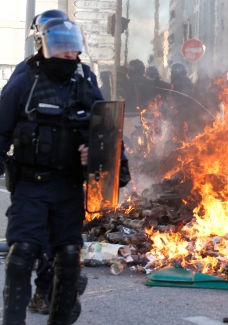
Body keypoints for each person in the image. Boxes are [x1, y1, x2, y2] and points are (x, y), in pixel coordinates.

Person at [0, 19, 131, 325]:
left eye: (71, 46)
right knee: (22, 256)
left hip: (69, 187)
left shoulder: (84, 81)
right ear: (43, 46)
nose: (67, 53)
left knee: (69, 256)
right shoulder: (25, 81)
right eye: (59, 45)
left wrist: (106, 161)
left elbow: (106, 129)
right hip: (32, 185)